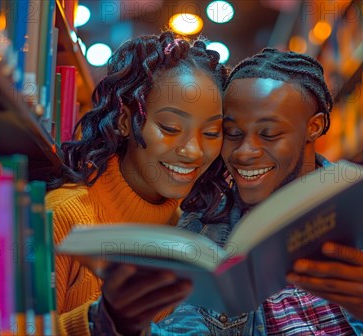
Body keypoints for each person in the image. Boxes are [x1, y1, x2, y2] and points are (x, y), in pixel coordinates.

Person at [96, 48, 363, 335]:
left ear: (314, 127)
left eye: (269, 134)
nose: (245, 152)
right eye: (231, 133)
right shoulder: (203, 231)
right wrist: (124, 320)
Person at [46, 30, 228, 335]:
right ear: (123, 120)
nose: (193, 151)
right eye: (170, 128)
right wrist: (101, 319)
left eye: (211, 133)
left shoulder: (194, 232)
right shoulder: (63, 218)